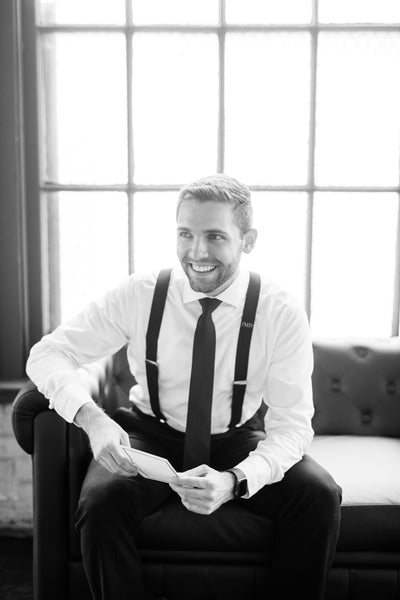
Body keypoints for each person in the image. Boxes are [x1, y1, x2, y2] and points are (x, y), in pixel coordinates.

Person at [26, 174, 342, 600]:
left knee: (319, 496)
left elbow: (293, 427)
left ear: (247, 240)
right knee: (101, 506)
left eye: (215, 236)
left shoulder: (280, 311)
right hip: (149, 433)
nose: (197, 252)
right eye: (185, 234)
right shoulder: (140, 293)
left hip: (237, 439)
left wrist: (236, 480)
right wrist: (93, 419)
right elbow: (47, 354)